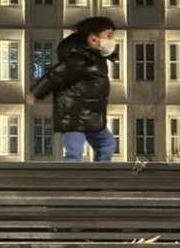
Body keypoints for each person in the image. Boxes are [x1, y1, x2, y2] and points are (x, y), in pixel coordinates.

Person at [25, 16, 118, 162]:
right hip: (74, 116)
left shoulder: (96, 59)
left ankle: (101, 174)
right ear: (94, 40)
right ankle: (68, 179)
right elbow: (54, 76)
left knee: (107, 144)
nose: (112, 41)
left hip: (93, 116)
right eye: (109, 36)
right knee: (74, 151)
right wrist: (36, 92)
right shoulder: (77, 60)